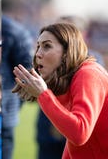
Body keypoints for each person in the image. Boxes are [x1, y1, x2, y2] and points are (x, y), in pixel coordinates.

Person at [12, 23, 108, 158]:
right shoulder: (73, 76)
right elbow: (72, 143)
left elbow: (79, 133)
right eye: (38, 46)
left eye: (47, 46)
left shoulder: (88, 74)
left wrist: (43, 95)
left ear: (67, 51)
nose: (38, 54)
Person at [0, 14, 34, 159]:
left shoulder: (14, 31)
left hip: (3, 111)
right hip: (4, 110)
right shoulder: (17, 31)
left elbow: (26, 73)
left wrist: (13, 104)